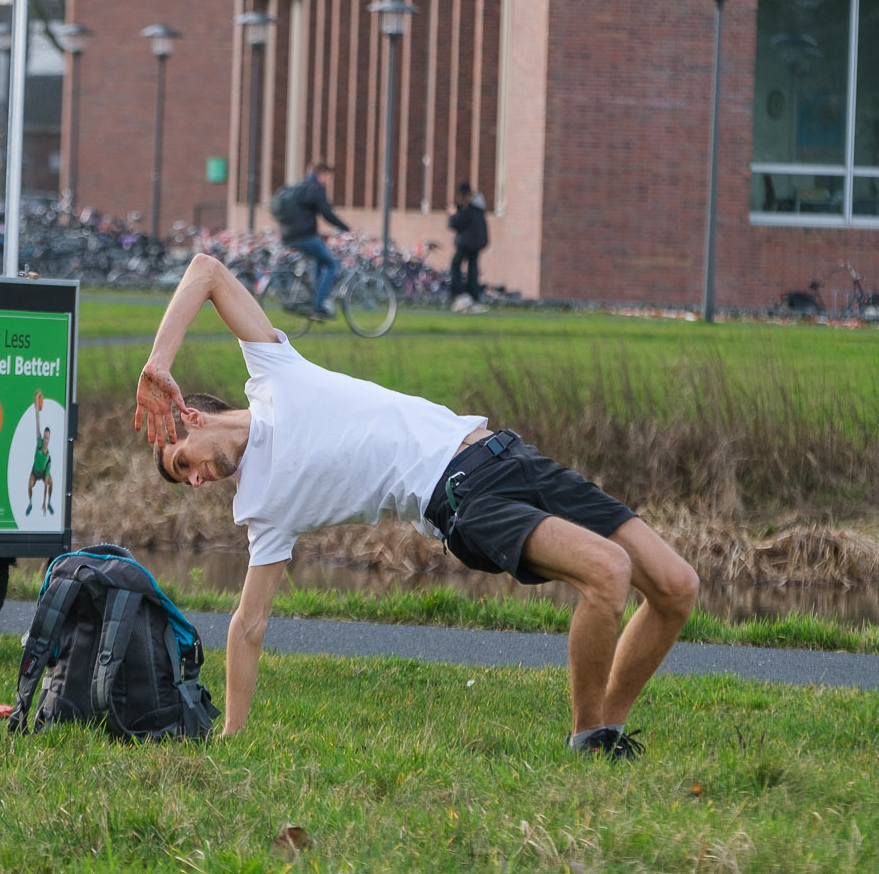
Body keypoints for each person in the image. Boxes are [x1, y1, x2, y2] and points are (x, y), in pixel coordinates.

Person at [133, 254, 698, 757]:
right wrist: (232, 733)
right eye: (186, 481)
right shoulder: (264, 507)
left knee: (676, 587)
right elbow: (248, 624)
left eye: (183, 463)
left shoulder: (276, 371)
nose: (197, 480)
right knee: (609, 572)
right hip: (459, 497)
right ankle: (588, 742)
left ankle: (611, 733)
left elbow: (206, 270)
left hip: (505, 452)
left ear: (192, 417)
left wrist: (159, 363)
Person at [273, 162, 350, 319]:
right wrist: (346, 227)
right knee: (332, 265)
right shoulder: (316, 188)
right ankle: (318, 306)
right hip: (303, 236)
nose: (328, 181)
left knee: (319, 259)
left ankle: (314, 293)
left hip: (288, 234)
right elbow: (327, 214)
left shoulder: (301, 187)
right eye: (328, 177)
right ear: (322, 174)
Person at [446, 181, 489, 313]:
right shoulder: (478, 206)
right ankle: (473, 296)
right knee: (472, 269)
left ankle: (461, 294)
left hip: (467, 243)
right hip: (476, 243)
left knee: (455, 265)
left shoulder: (468, 207)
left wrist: (452, 213)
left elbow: (455, 222)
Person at [26, 409, 54, 517]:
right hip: (35, 471)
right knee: (29, 484)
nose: (45, 440)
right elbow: (37, 420)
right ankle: (30, 503)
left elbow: (46, 484)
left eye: (47, 438)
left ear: (49, 440)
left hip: (43, 473)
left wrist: (44, 501)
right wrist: (36, 402)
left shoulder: (48, 460)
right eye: (45, 437)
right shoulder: (39, 442)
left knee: (51, 482)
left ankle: (49, 502)